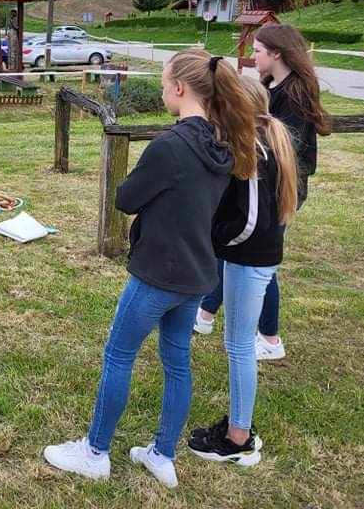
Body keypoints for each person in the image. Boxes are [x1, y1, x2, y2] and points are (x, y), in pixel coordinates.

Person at [42, 49, 257, 489]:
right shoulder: (222, 144)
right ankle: (162, 454)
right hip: (198, 273)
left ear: (180, 88)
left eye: (163, 83)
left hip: (159, 273)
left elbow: (126, 198)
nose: (161, 90)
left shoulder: (171, 146)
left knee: (118, 355)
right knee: (177, 362)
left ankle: (95, 452)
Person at [194, 24, 330, 360]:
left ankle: (269, 338)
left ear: (276, 54)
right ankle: (206, 314)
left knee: (259, 258)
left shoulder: (294, 94)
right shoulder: (271, 86)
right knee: (232, 250)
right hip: (261, 183)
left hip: (280, 189)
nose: (253, 56)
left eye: (257, 51)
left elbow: (288, 154)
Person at [188, 75, 299, 466]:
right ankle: (238, 428)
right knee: (237, 345)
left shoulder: (254, 149)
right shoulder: (273, 139)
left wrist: (217, 241)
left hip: (249, 260)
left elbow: (250, 219)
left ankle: (238, 438)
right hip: (257, 257)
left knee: (238, 347)